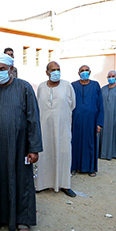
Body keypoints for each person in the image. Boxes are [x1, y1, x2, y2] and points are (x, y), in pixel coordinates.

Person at [0, 53, 42, 231]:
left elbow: (33, 118)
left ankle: (23, 221)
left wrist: (34, 148)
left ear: (11, 69)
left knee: (21, 181)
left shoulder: (24, 88)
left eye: (2, 69)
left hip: (19, 146)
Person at [36, 61, 77, 197]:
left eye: (58, 69)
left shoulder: (67, 85)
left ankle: (65, 185)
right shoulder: (41, 87)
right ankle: (43, 184)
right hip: (44, 128)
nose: (56, 72)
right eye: (53, 69)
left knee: (64, 153)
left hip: (62, 128)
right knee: (45, 153)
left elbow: (72, 105)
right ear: (47, 72)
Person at [71, 65, 103, 177]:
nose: (84, 72)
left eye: (86, 70)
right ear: (78, 73)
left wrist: (99, 123)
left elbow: (100, 104)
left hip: (91, 121)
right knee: (75, 143)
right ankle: (74, 167)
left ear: (90, 72)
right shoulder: (73, 85)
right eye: (82, 71)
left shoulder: (95, 85)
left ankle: (91, 168)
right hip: (76, 120)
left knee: (90, 143)